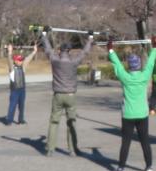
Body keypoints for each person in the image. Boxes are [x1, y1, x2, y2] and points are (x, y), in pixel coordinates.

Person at [109, 36, 156, 171]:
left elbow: (117, 64)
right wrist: (154, 48)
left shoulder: (125, 77)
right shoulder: (144, 76)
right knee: (145, 141)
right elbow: (151, 64)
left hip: (128, 115)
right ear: (138, 65)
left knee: (126, 142)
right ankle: (149, 167)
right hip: (142, 113)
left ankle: (121, 168)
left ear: (129, 65)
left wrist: (111, 50)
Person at [41, 28, 93, 157]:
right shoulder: (74, 61)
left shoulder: (55, 60)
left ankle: (50, 149)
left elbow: (47, 49)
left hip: (58, 95)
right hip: (70, 95)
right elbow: (85, 52)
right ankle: (72, 149)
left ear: (60, 50)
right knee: (71, 122)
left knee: (54, 122)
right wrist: (90, 38)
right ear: (69, 51)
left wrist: (43, 35)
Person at [5, 43, 38, 125]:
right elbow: (9, 60)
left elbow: (28, 59)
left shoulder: (23, 66)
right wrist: (9, 51)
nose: (21, 61)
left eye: (21, 60)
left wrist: (34, 51)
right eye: (19, 60)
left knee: (21, 106)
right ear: (15, 60)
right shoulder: (12, 68)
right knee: (12, 106)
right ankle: (9, 120)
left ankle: (21, 120)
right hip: (14, 90)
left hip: (22, 90)